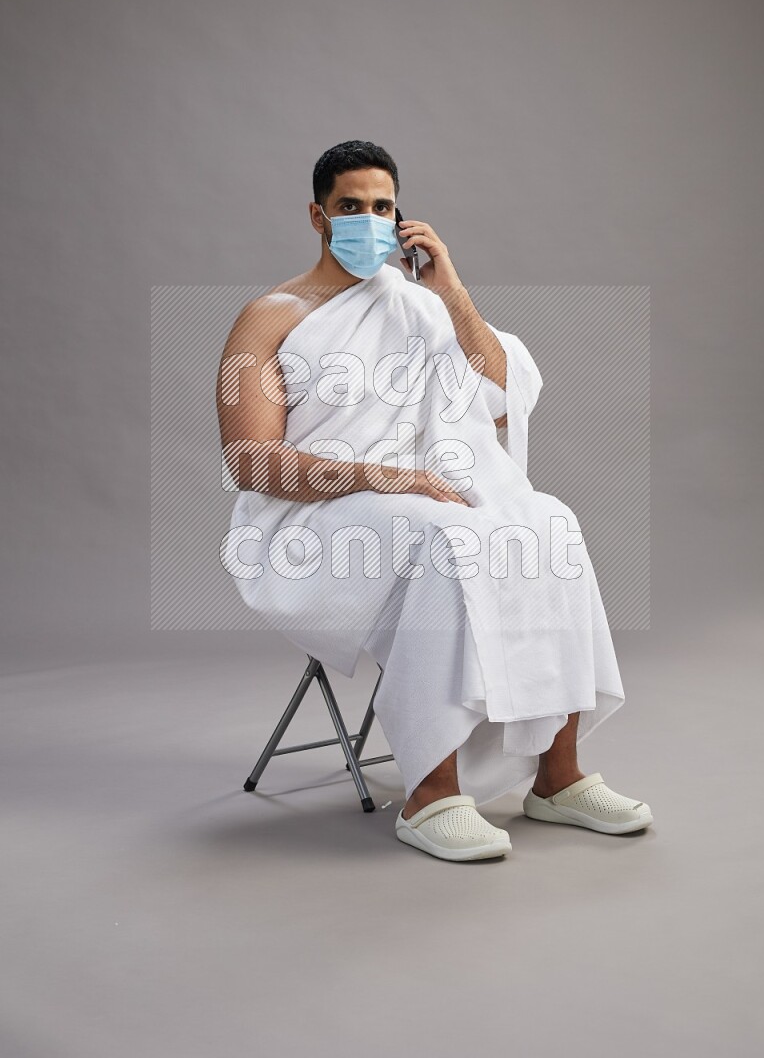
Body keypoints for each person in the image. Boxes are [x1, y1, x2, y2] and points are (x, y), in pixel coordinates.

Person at [216, 139, 653, 863]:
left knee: (550, 523)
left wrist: (451, 291)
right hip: (307, 521)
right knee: (445, 537)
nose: (366, 219)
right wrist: (387, 478)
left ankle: (558, 777)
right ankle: (430, 791)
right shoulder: (269, 316)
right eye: (349, 206)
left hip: (421, 496)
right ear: (317, 215)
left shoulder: (421, 308)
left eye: (381, 207)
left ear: (400, 217)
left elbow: (504, 403)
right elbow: (250, 461)